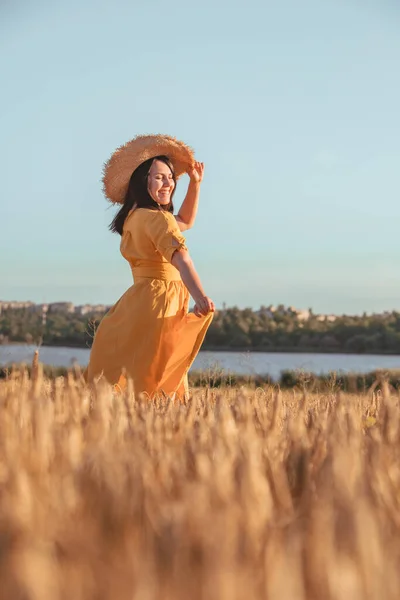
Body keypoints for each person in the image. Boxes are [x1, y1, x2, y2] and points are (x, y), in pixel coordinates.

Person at [85, 134, 215, 399]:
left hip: (139, 298)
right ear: (142, 182)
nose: (168, 183)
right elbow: (182, 258)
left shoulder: (134, 217)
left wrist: (195, 184)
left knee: (135, 366)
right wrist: (201, 296)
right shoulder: (157, 219)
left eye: (170, 177)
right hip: (161, 301)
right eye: (159, 177)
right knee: (156, 372)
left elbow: (185, 221)